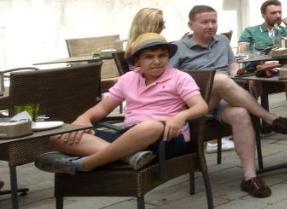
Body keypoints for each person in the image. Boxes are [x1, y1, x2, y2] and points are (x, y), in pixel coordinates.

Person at [37, 34, 209, 175]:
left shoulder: (180, 77)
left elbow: (201, 107)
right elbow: (103, 108)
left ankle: (88, 163)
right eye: (149, 57)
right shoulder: (128, 79)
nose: (157, 61)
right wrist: (84, 118)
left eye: (162, 55)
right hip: (129, 136)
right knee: (58, 137)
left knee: (150, 127)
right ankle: (130, 156)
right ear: (137, 61)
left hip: (167, 139)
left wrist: (181, 116)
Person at [173, 5, 287, 198]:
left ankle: (250, 177)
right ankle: (271, 119)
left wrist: (242, 75)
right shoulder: (178, 48)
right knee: (219, 79)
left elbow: (232, 65)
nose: (211, 25)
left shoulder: (222, 41)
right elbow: (168, 81)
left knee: (240, 113)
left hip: (222, 100)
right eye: (205, 22)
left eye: (214, 21)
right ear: (191, 24)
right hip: (195, 103)